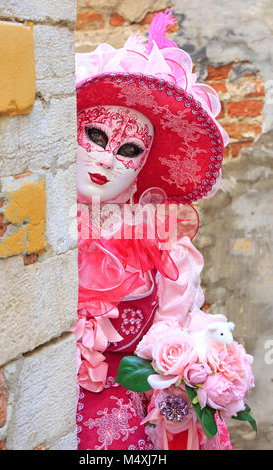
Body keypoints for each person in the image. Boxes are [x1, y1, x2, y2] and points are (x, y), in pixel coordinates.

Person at [73, 10, 233, 450]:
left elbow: (172, 327)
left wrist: (181, 390)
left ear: (145, 164)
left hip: (130, 426)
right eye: (96, 137)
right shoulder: (34, 229)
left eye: (127, 150)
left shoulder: (161, 242)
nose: (106, 161)